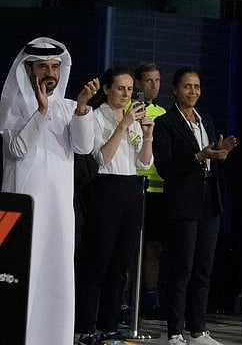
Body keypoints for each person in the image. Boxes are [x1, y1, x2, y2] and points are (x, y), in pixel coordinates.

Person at [0, 38, 98, 345]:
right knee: (19, 275)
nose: (50, 73)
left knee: (56, 275)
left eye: (55, 66)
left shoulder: (69, 108)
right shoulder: (13, 106)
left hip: (58, 212)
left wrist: (81, 109)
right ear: (28, 69)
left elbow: (83, 147)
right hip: (21, 209)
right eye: (42, 66)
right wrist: (41, 112)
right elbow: (17, 149)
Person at [153, 67, 238, 345]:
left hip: (209, 202)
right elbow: (165, 167)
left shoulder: (206, 120)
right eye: (187, 86)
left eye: (197, 87)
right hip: (182, 204)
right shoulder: (166, 123)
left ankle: (198, 330)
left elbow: (212, 164)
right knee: (182, 269)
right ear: (175, 90)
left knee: (204, 268)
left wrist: (220, 155)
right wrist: (199, 156)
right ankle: (175, 332)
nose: (193, 92)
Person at [75, 67, 154, 345]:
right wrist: (122, 126)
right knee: (98, 260)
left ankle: (109, 325)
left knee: (121, 263)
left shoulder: (135, 118)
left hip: (132, 187)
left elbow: (144, 163)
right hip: (106, 187)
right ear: (107, 89)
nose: (126, 94)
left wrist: (147, 135)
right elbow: (102, 158)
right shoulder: (97, 117)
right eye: (120, 88)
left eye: (130, 89)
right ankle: (85, 327)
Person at [134, 62, 169, 316]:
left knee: (153, 248)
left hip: (158, 192)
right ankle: (124, 300)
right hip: (134, 186)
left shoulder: (163, 113)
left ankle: (150, 299)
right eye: (148, 80)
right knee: (130, 248)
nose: (154, 85)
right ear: (138, 83)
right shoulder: (128, 110)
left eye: (157, 80)